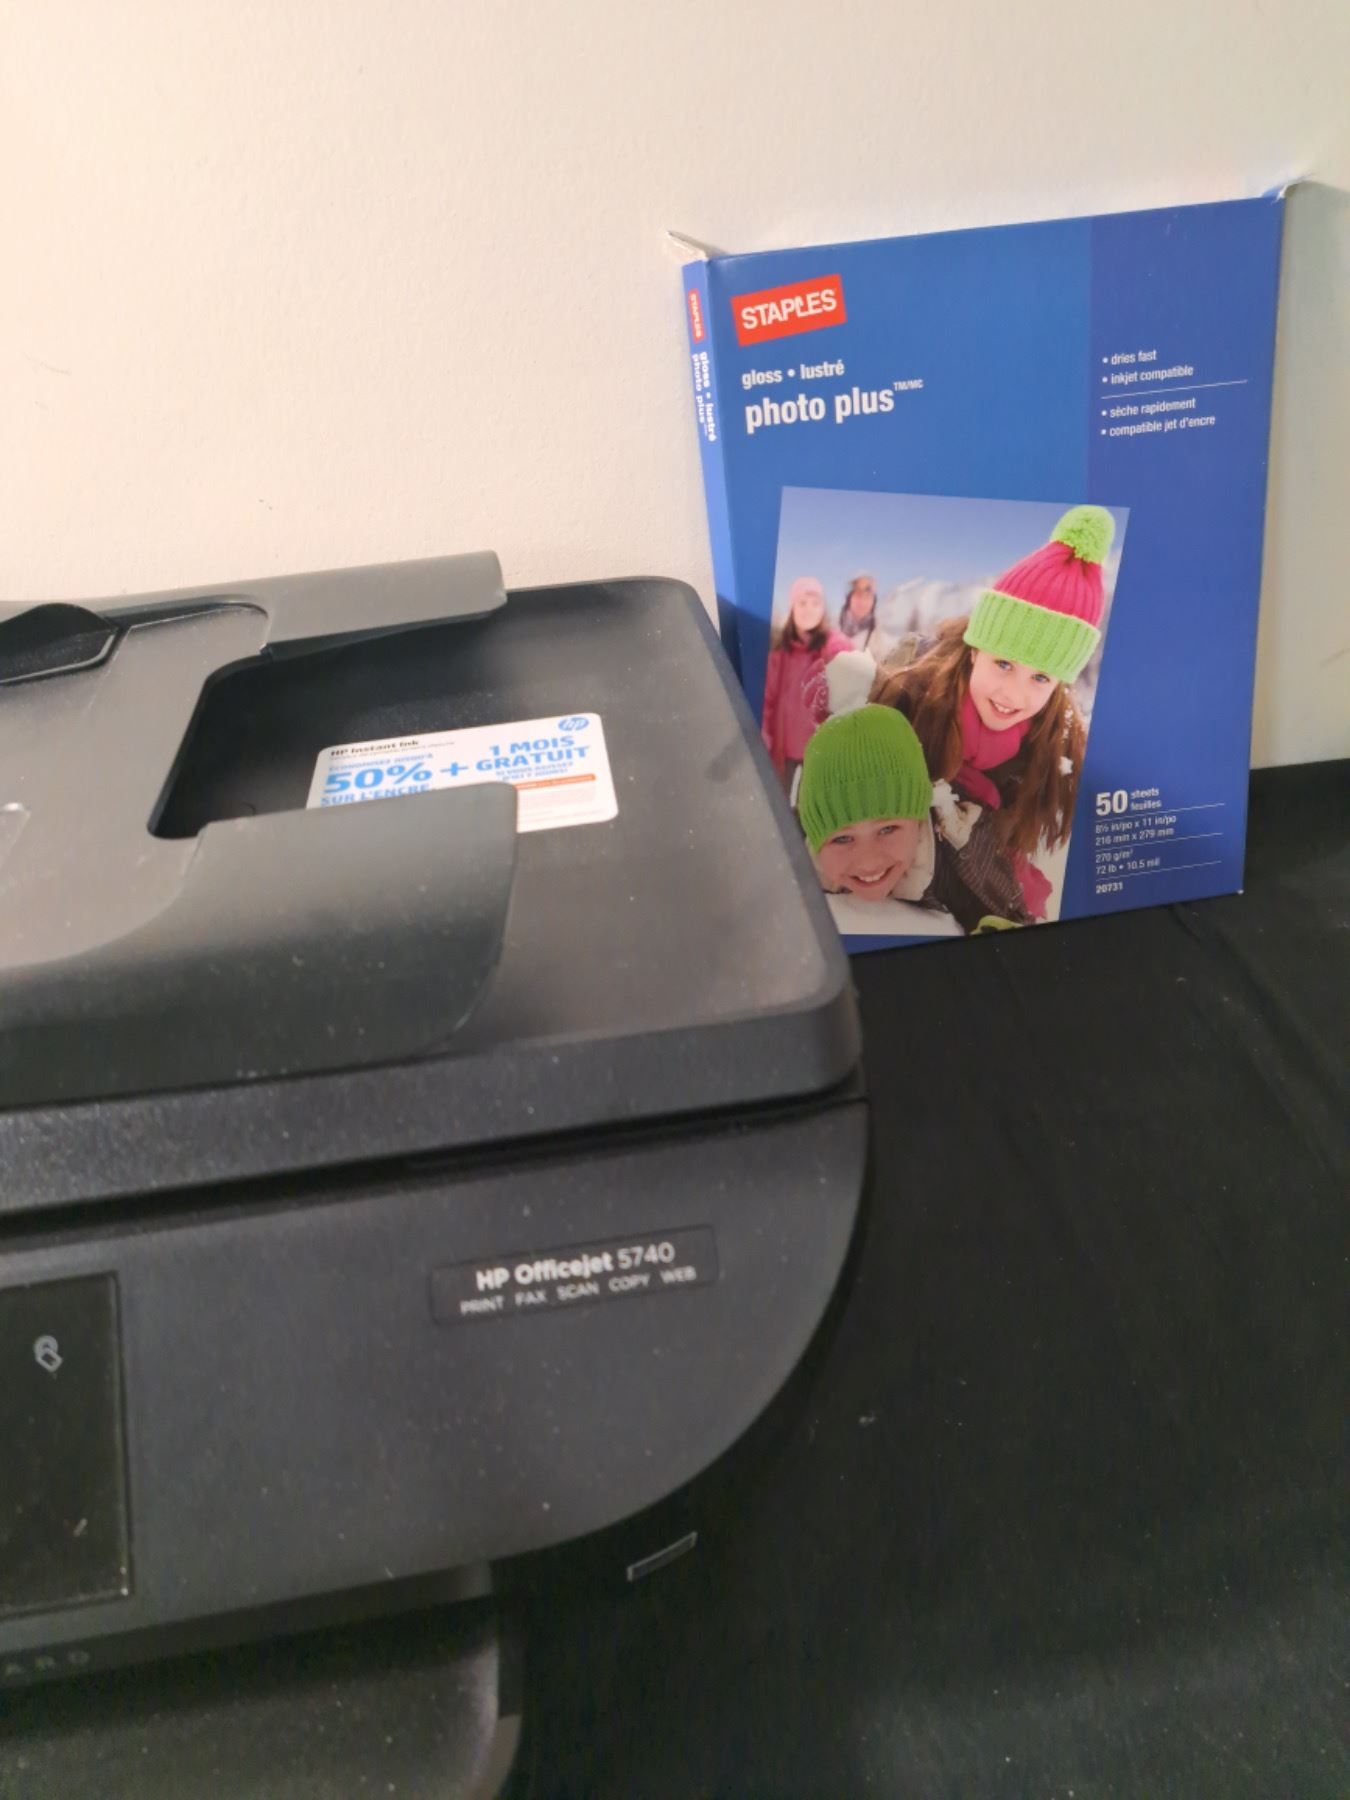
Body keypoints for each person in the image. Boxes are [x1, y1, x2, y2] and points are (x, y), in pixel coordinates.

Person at [868, 505, 1112, 933]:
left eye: (1040, 677)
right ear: (975, 649)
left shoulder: (1054, 746)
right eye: (1003, 664)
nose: (1013, 695)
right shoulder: (912, 690)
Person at [798, 650, 956, 936]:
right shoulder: (788, 881)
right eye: (842, 838)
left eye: (887, 829)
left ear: (919, 817)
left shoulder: (961, 864)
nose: (868, 861)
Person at [761, 576, 850, 795]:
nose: (808, 609)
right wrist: (764, 733)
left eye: (815, 603)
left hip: (820, 747)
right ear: (792, 608)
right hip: (784, 748)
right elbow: (767, 699)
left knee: (813, 802)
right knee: (778, 797)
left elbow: (850, 685)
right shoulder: (779, 653)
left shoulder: (834, 648)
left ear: (823, 609)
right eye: (802, 603)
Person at [837, 571, 889, 660]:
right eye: (858, 595)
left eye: (868, 597)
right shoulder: (831, 629)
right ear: (849, 598)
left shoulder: (880, 639)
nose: (863, 602)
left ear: (873, 602)